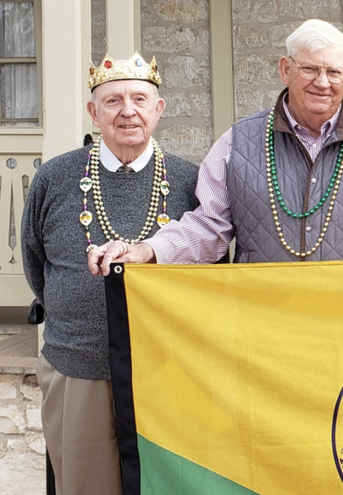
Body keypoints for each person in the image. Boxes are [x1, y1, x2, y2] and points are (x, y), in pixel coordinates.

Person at [88, 19, 343, 271]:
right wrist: (147, 251)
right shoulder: (235, 143)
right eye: (310, 69)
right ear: (285, 69)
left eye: (334, 71)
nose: (323, 82)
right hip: (264, 325)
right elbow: (208, 227)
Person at [22, 55, 200, 495]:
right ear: (94, 112)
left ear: (158, 110)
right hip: (77, 366)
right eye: (113, 100)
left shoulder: (189, 181)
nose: (128, 111)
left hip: (166, 370)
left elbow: (211, 265)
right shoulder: (55, 178)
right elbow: (34, 261)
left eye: (140, 99)